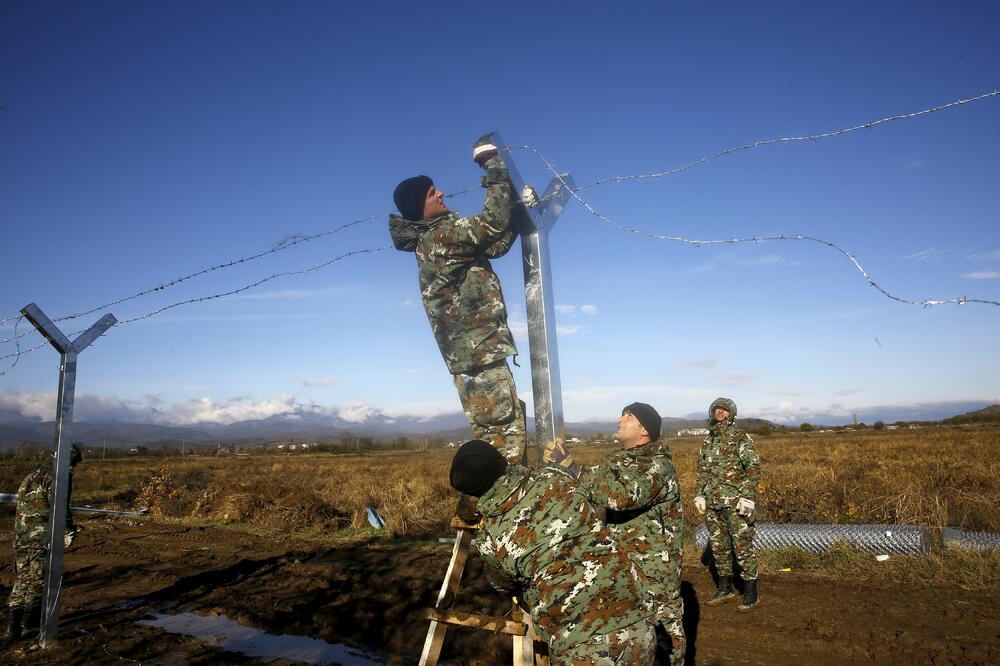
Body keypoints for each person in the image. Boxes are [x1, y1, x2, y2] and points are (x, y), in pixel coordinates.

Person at [449, 439, 657, 665]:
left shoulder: (490, 539)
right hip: (637, 619)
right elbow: (592, 496)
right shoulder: (554, 476)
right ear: (501, 461)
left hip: (579, 643)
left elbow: (504, 585)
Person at [389, 135, 526, 466]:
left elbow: (495, 244)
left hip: (476, 356)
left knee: (498, 438)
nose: (441, 193)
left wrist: (520, 211)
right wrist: (492, 164)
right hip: (479, 354)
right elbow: (492, 225)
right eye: (431, 192)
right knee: (505, 443)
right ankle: (497, 513)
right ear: (420, 207)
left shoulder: (440, 238)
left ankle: (481, 514)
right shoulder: (439, 237)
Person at [578, 403, 686, 666]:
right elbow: (591, 487)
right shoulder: (615, 462)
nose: (620, 419)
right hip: (619, 567)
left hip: (653, 573)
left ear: (645, 430)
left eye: (629, 416)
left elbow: (620, 496)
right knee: (630, 641)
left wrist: (574, 471)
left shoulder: (659, 467)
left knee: (665, 643)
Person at [6, 444, 82, 641]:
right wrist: (68, 531)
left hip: (21, 537)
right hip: (41, 537)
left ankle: (12, 625)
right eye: (73, 463)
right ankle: (29, 625)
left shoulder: (33, 475)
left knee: (22, 580)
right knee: (38, 581)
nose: (73, 468)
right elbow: (60, 506)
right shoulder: (58, 477)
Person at [693, 398, 761, 611]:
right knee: (719, 548)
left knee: (742, 547)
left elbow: (753, 468)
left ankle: (751, 593)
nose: (720, 413)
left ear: (732, 413)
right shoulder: (708, 441)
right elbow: (702, 470)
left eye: (724, 410)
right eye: (716, 409)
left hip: (735, 503)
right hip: (713, 504)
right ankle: (725, 589)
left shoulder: (740, 438)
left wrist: (748, 497)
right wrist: (700, 495)